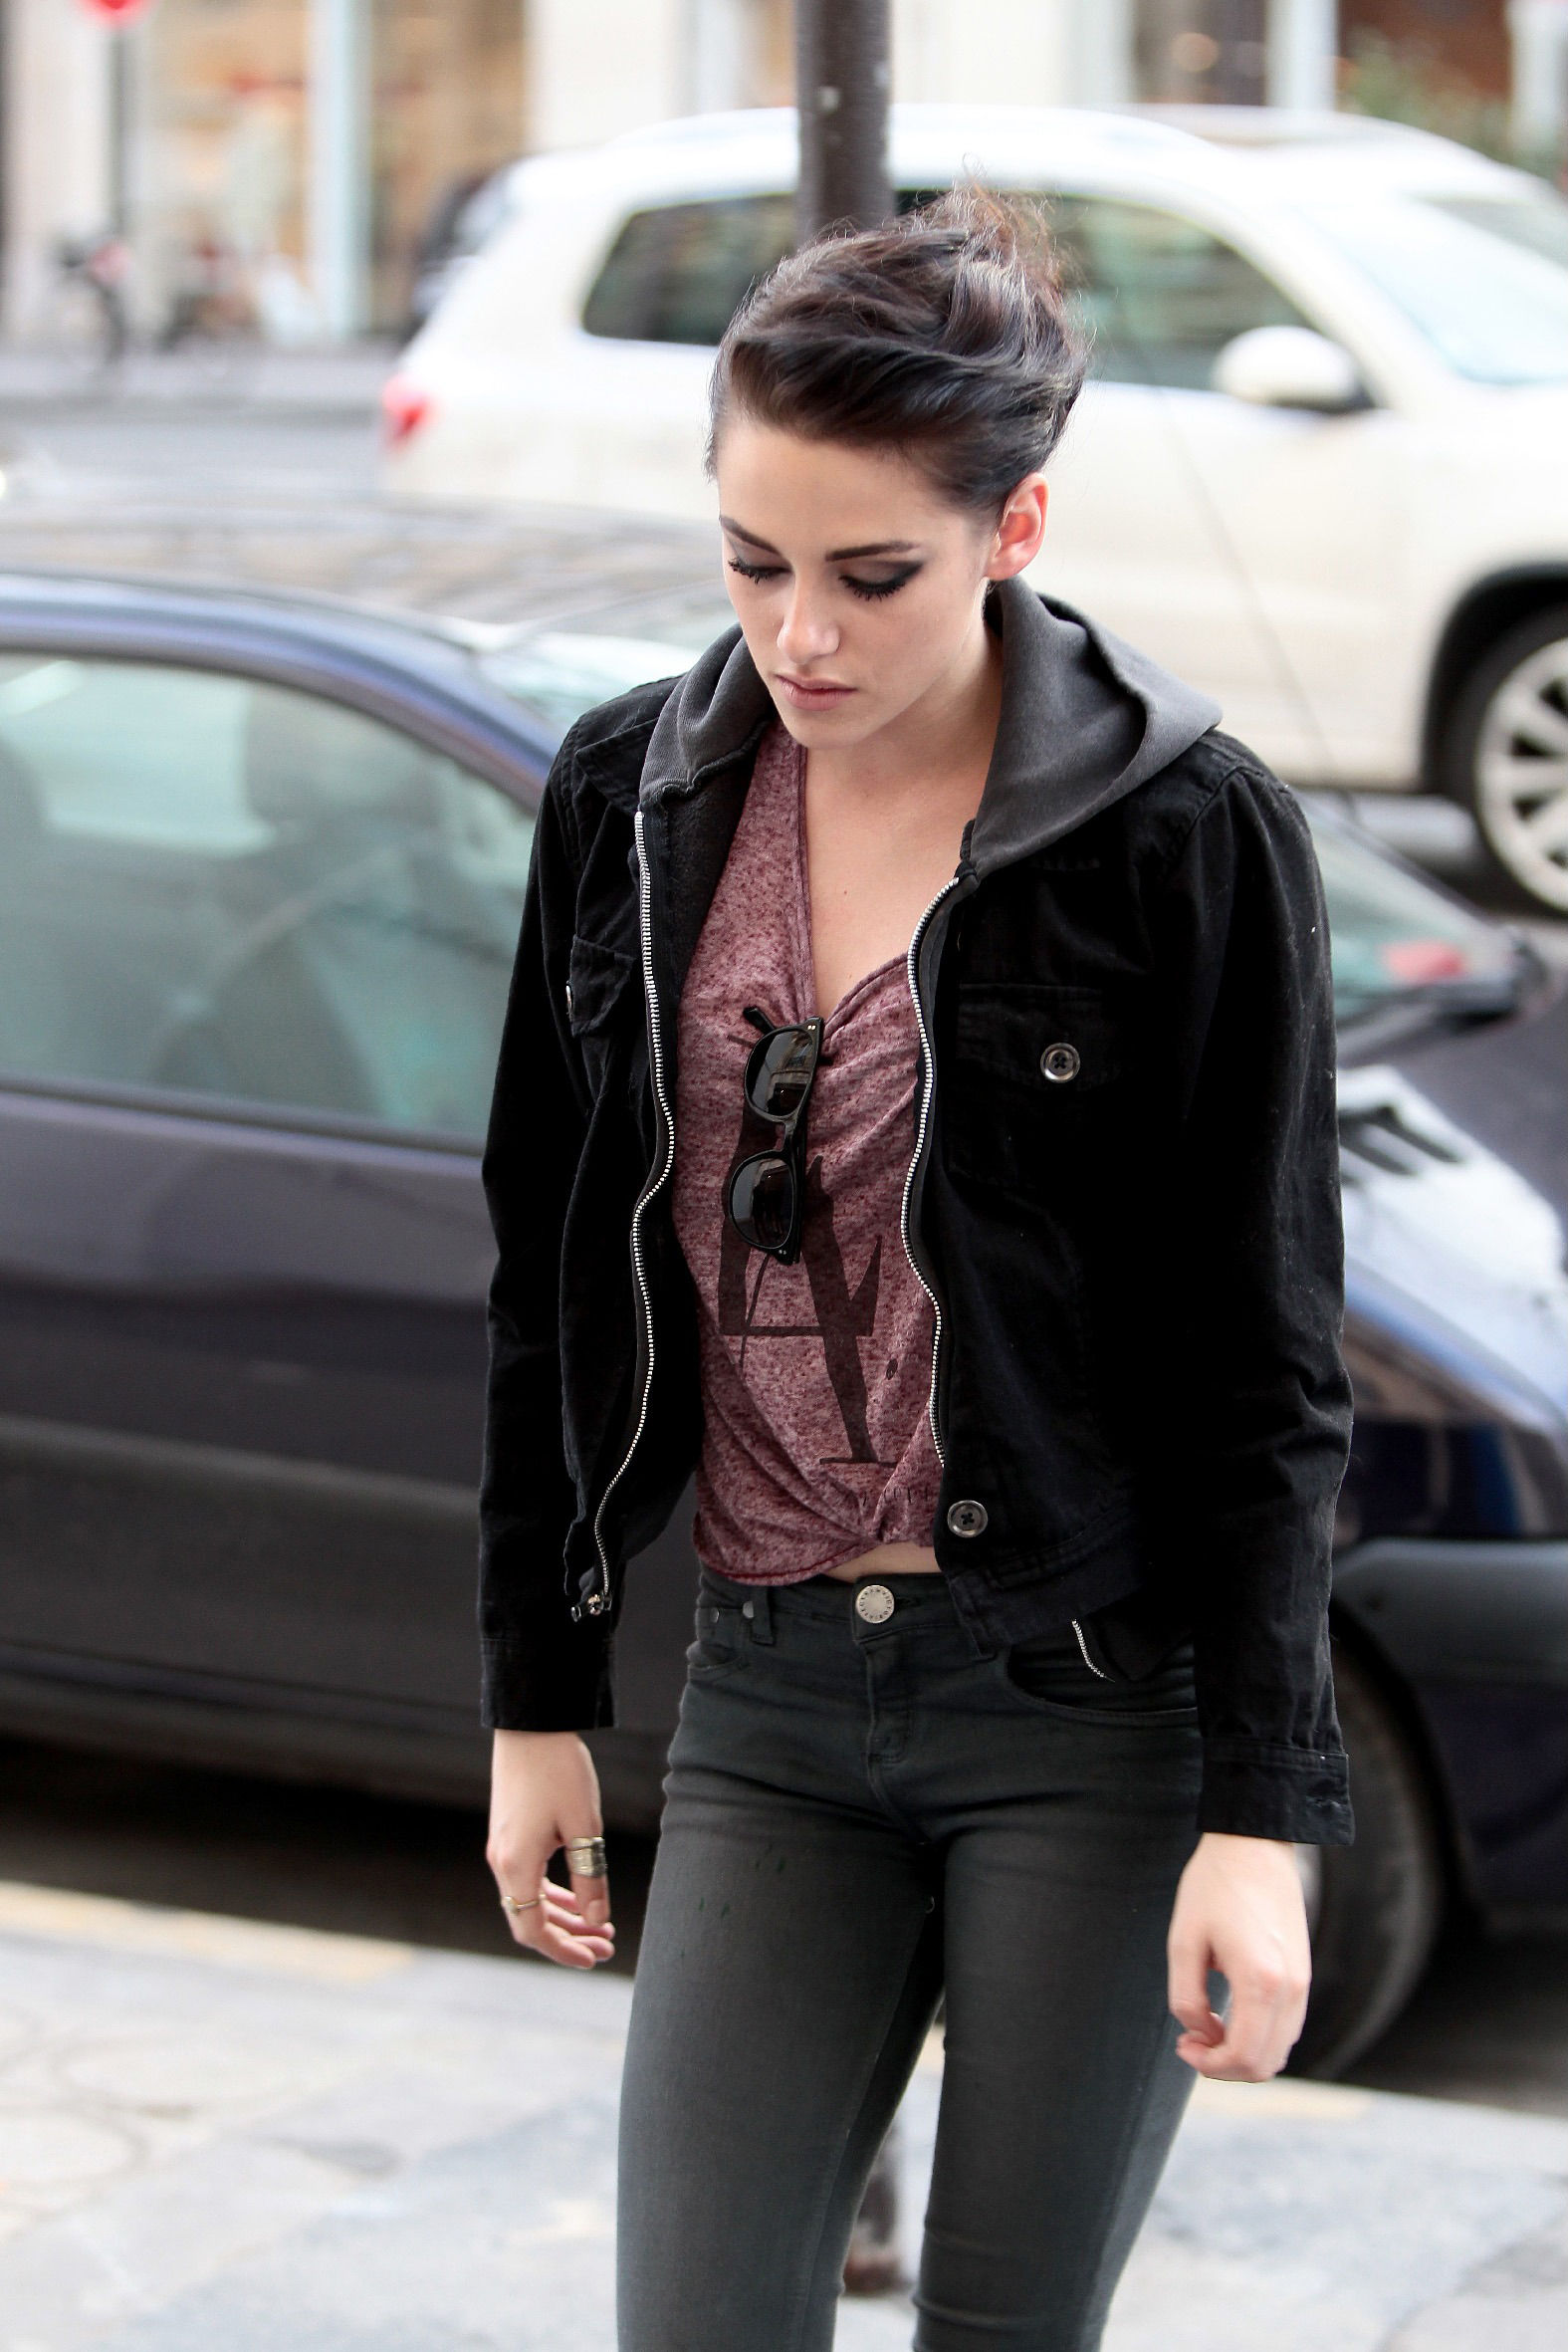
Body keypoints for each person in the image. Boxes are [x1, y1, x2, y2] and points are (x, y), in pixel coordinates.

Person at [478, 190, 1354, 2352]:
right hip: (771, 1683)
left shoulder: (1180, 835)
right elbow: (546, 1264)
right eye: (750, 561)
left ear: (1012, 526)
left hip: (1086, 1702)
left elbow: (1263, 1361)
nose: (801, 635)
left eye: (871, 574)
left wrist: (1265, 1814)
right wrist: (536, 1689)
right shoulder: (630, 794)